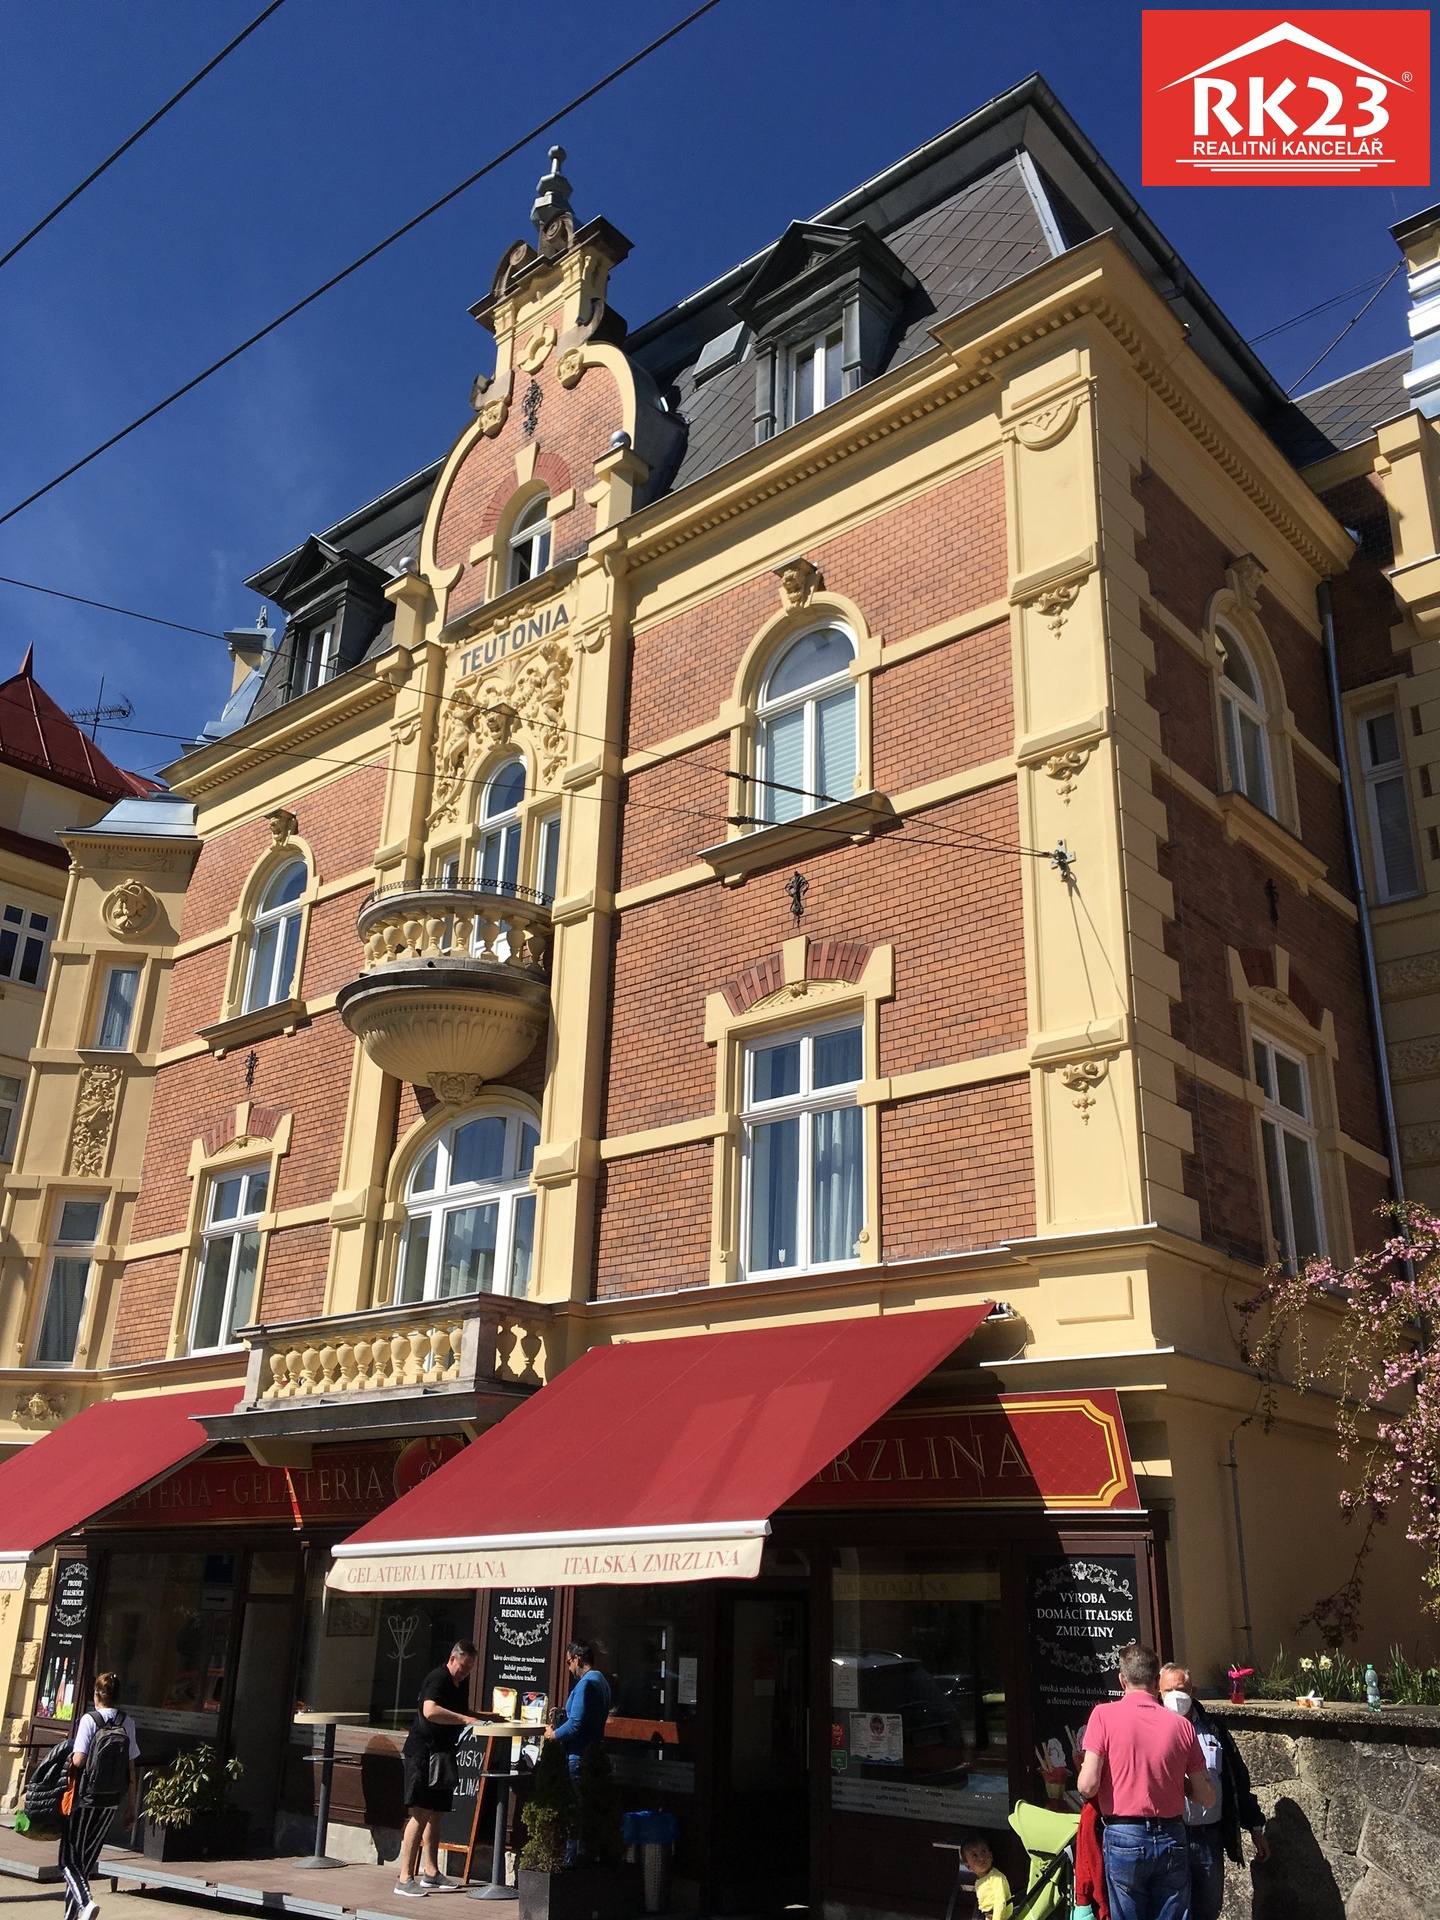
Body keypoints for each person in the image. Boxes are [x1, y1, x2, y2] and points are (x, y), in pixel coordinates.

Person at [1076, 1643, 1215, 1920]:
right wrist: (1175, 1783)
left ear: (1122, 1679)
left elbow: (1087, 1786)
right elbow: (1207, 1798)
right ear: (1156, 1681)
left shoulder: (1103, 1716)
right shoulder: (1182, 1726)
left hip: (1124, 1833)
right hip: (1172, 1834)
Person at [1158, 1664, 1269, 1920]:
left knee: (1209, 1909)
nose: (1176, 1696)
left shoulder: (1213, 1728)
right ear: (1158, 1692)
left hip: (1208, 1839)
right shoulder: (1149, 1730)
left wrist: (1255, 1828)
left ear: (1193, 1691)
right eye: (1168, 1690)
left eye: (1181, 1689)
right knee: (1172, 1911)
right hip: (1168, 1837)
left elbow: (1237, 1780)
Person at [395, 1640, 487, 1899]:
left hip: (444, 1753)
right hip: (423, 1752)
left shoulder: (460, 1683)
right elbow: (430, 1710)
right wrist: (465, 1719)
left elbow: (459, 1711)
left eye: (470, 1668)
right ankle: (404, 1878)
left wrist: (485, 1717)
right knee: (420, 1812)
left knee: (436, 1813)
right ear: (452, 1659)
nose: (465, 1672)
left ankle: (431, 1872)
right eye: (463, 1667)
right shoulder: (438, 1677)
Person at [60, 1672, 137, 1920]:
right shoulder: (127, 1722)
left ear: (96, 1695)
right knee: (84, 1863)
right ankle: (73, 1916)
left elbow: (79, 1759)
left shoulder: (89, 1719)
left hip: (85, 1800)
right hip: (111, 1801)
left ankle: (85, 1903)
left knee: (68, 1860)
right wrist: (131, 1806)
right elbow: (131, 1768)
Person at [543, 1641, 612, 1782]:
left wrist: (552, 1735)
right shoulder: (601, 1680)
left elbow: (575, 1724)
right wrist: (563, 1713)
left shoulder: (585, 1684)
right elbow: (589, 1714)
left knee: (578, 1794)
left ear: (577, 1659)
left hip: (578, 1757)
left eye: (569, 1662)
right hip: (594, 1754)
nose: (569, 1668)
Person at [959, 1834, 1012, 1919]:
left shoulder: (996, 1877)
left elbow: (1000, 1902)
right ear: (968, 1866)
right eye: (974, 1856)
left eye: (983, 1852)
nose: (981, 1858)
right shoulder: (978, 1883)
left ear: (991, 1855)